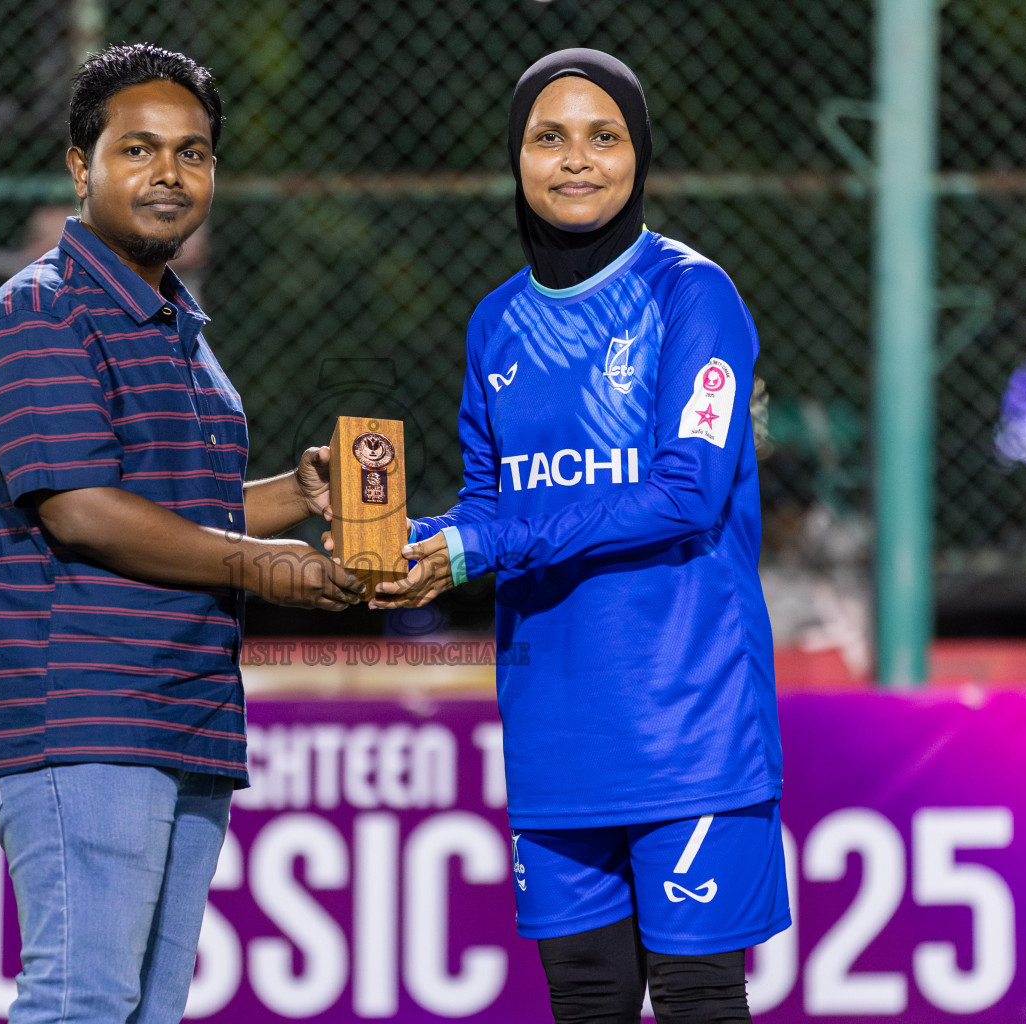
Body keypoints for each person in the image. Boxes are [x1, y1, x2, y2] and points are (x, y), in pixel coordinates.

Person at [366, 49, 788, 1023]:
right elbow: (488, 506)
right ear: (514, 158)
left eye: (604, 136)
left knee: (697, 1000)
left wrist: (485, 545)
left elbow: (686, 491)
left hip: (691, 723)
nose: (576, 160)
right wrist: (409, 543)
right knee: (587, 1000)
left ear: (640, 153)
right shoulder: (496, 323)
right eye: (548, 137)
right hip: (555, 730)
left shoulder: (694, 296)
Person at [0, 43, 362, 1024]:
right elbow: (84, 509)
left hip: (186, 712)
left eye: (192, 153)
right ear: (77, 165)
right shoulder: (43, 313)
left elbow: (192, 505)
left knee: (145, 1008)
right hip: (85, 708)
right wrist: (269, 568)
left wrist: (295, 496)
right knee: (82, 999)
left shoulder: (174, 324)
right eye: (137, 149)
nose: (168, 174)